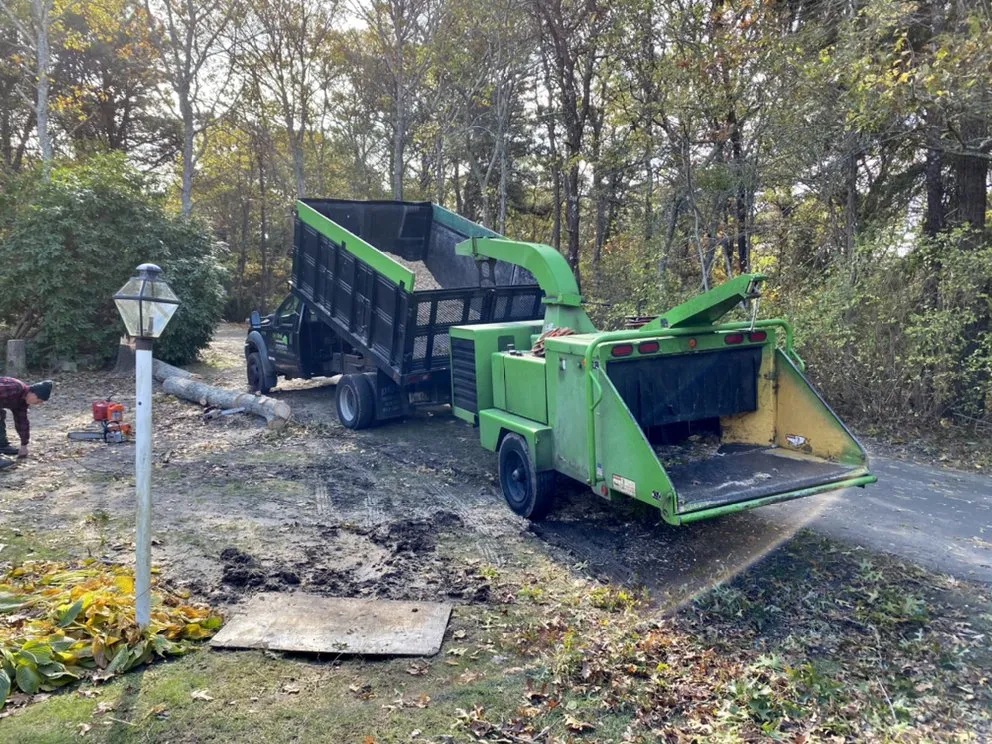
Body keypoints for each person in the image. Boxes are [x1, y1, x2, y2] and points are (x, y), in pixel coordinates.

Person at [0, 377, 53, 469]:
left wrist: (24, 445)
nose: (38, 403)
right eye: (39, 400)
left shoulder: (22, 402)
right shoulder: (15, 387)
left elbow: (22, 422)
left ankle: (2, 445)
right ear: (33, 393)